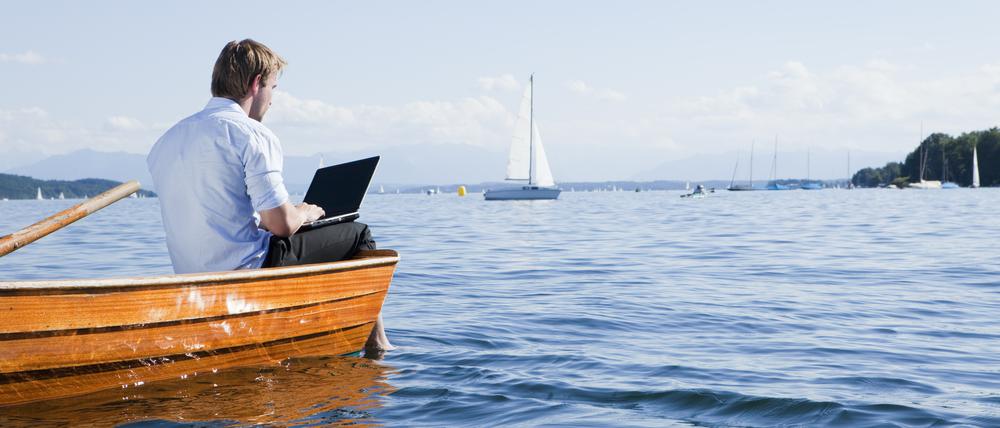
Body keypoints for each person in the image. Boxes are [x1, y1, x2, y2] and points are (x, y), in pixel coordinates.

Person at [147, 39, 392, 354]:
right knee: (359, 234)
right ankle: (377, 345)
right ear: (255, 84)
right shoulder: (251, 134)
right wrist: (303, 212)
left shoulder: (166, 141)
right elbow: (280, 225)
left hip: (191, 276)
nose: (273, 100)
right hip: (247, 271)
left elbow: (215, 216)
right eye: (273, 88)